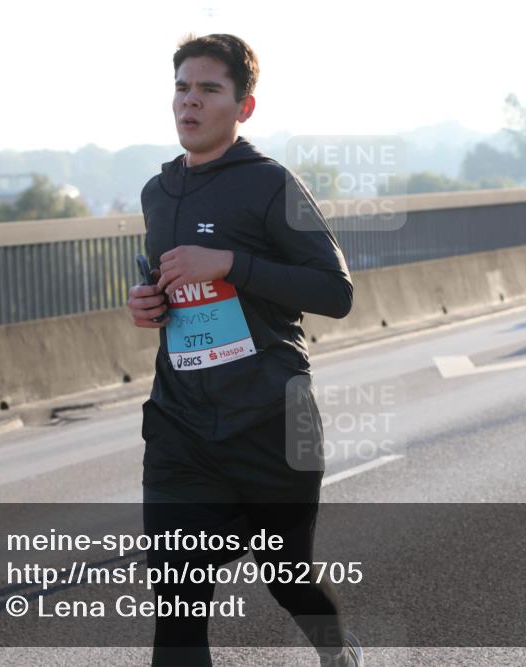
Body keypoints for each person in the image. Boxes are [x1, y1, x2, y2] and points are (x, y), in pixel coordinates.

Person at [127, 33, 362, 667]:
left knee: (287, 577)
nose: (190, 103)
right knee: (177, 601)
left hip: (269, 420)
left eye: (209, 90)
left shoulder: (270, 185)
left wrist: (231, 262)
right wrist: (147, 303)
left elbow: (335, 292)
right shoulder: (157, 191)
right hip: (181, 426)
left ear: (244, 107)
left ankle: (337, 651)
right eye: (181, 88)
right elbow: (174, 288)